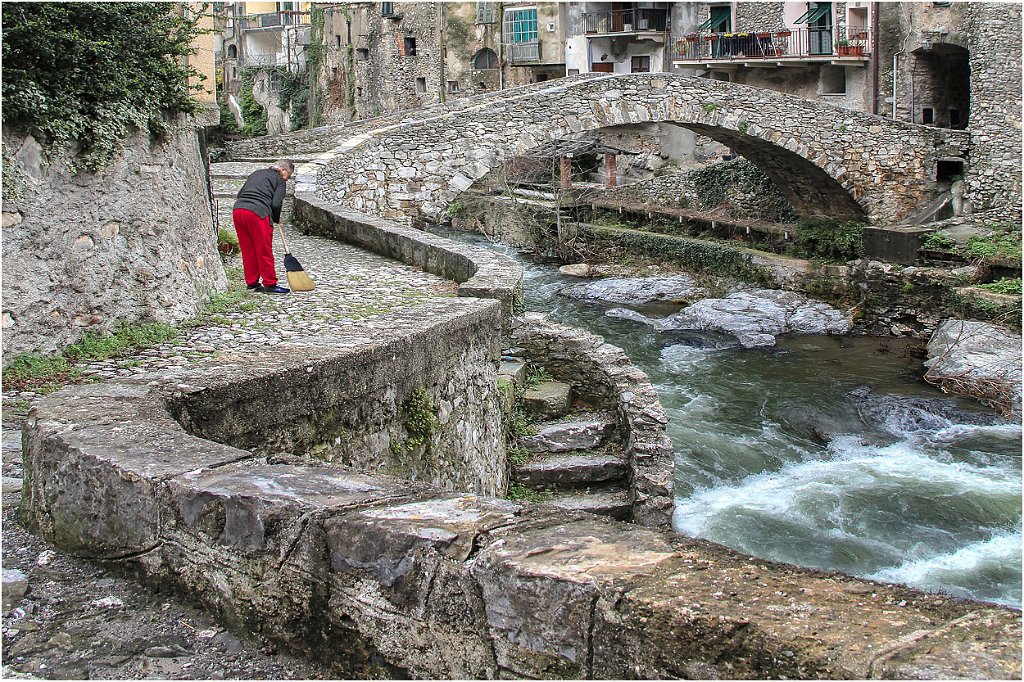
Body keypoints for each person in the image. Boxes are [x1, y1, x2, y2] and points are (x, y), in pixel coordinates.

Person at [232, 159, 295, 293]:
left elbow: (239, 194)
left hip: (238, 211)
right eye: (288, 176)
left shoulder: (256, 173)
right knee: (263, 249)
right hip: (258, 213)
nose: (287, 179)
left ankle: (252, 283)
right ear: (283, 170)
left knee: (248, 249)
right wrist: (276, 219)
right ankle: (270, 283)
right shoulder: (279, 180)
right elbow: (276, 203)